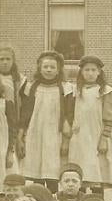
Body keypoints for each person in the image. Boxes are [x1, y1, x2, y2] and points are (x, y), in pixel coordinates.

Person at [67, 55, 112, 196]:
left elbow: (111, 118)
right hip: (79, 139)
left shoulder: (106, 91)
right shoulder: (75, 91)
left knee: (97, 173)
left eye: (93, 70)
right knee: (80, 173)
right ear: (81, 72)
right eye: (86, 70)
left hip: (97, 136)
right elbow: (69, 113)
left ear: (99, 72)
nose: (90, 73)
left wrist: (104, 138)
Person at [18, 51, 74, 192]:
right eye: (45, 67)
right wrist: (21, 134)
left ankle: (52, 196)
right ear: (39, 68)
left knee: (52, 168)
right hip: (36, 131)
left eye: (52, 67)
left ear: (58, 69)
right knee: (37, 166)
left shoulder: (65, 88)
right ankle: (39, 196)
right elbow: (25, 111)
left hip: (54, 133)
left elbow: (69, 112)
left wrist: (66, 134)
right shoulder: (31, 87)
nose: (49, 70)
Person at [0, 43, 25, 118]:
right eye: (1, 59)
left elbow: (25, 103)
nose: (5, 62)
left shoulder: (20, 79)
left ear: (13, 61)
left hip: (13, 116)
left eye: (8, 59)